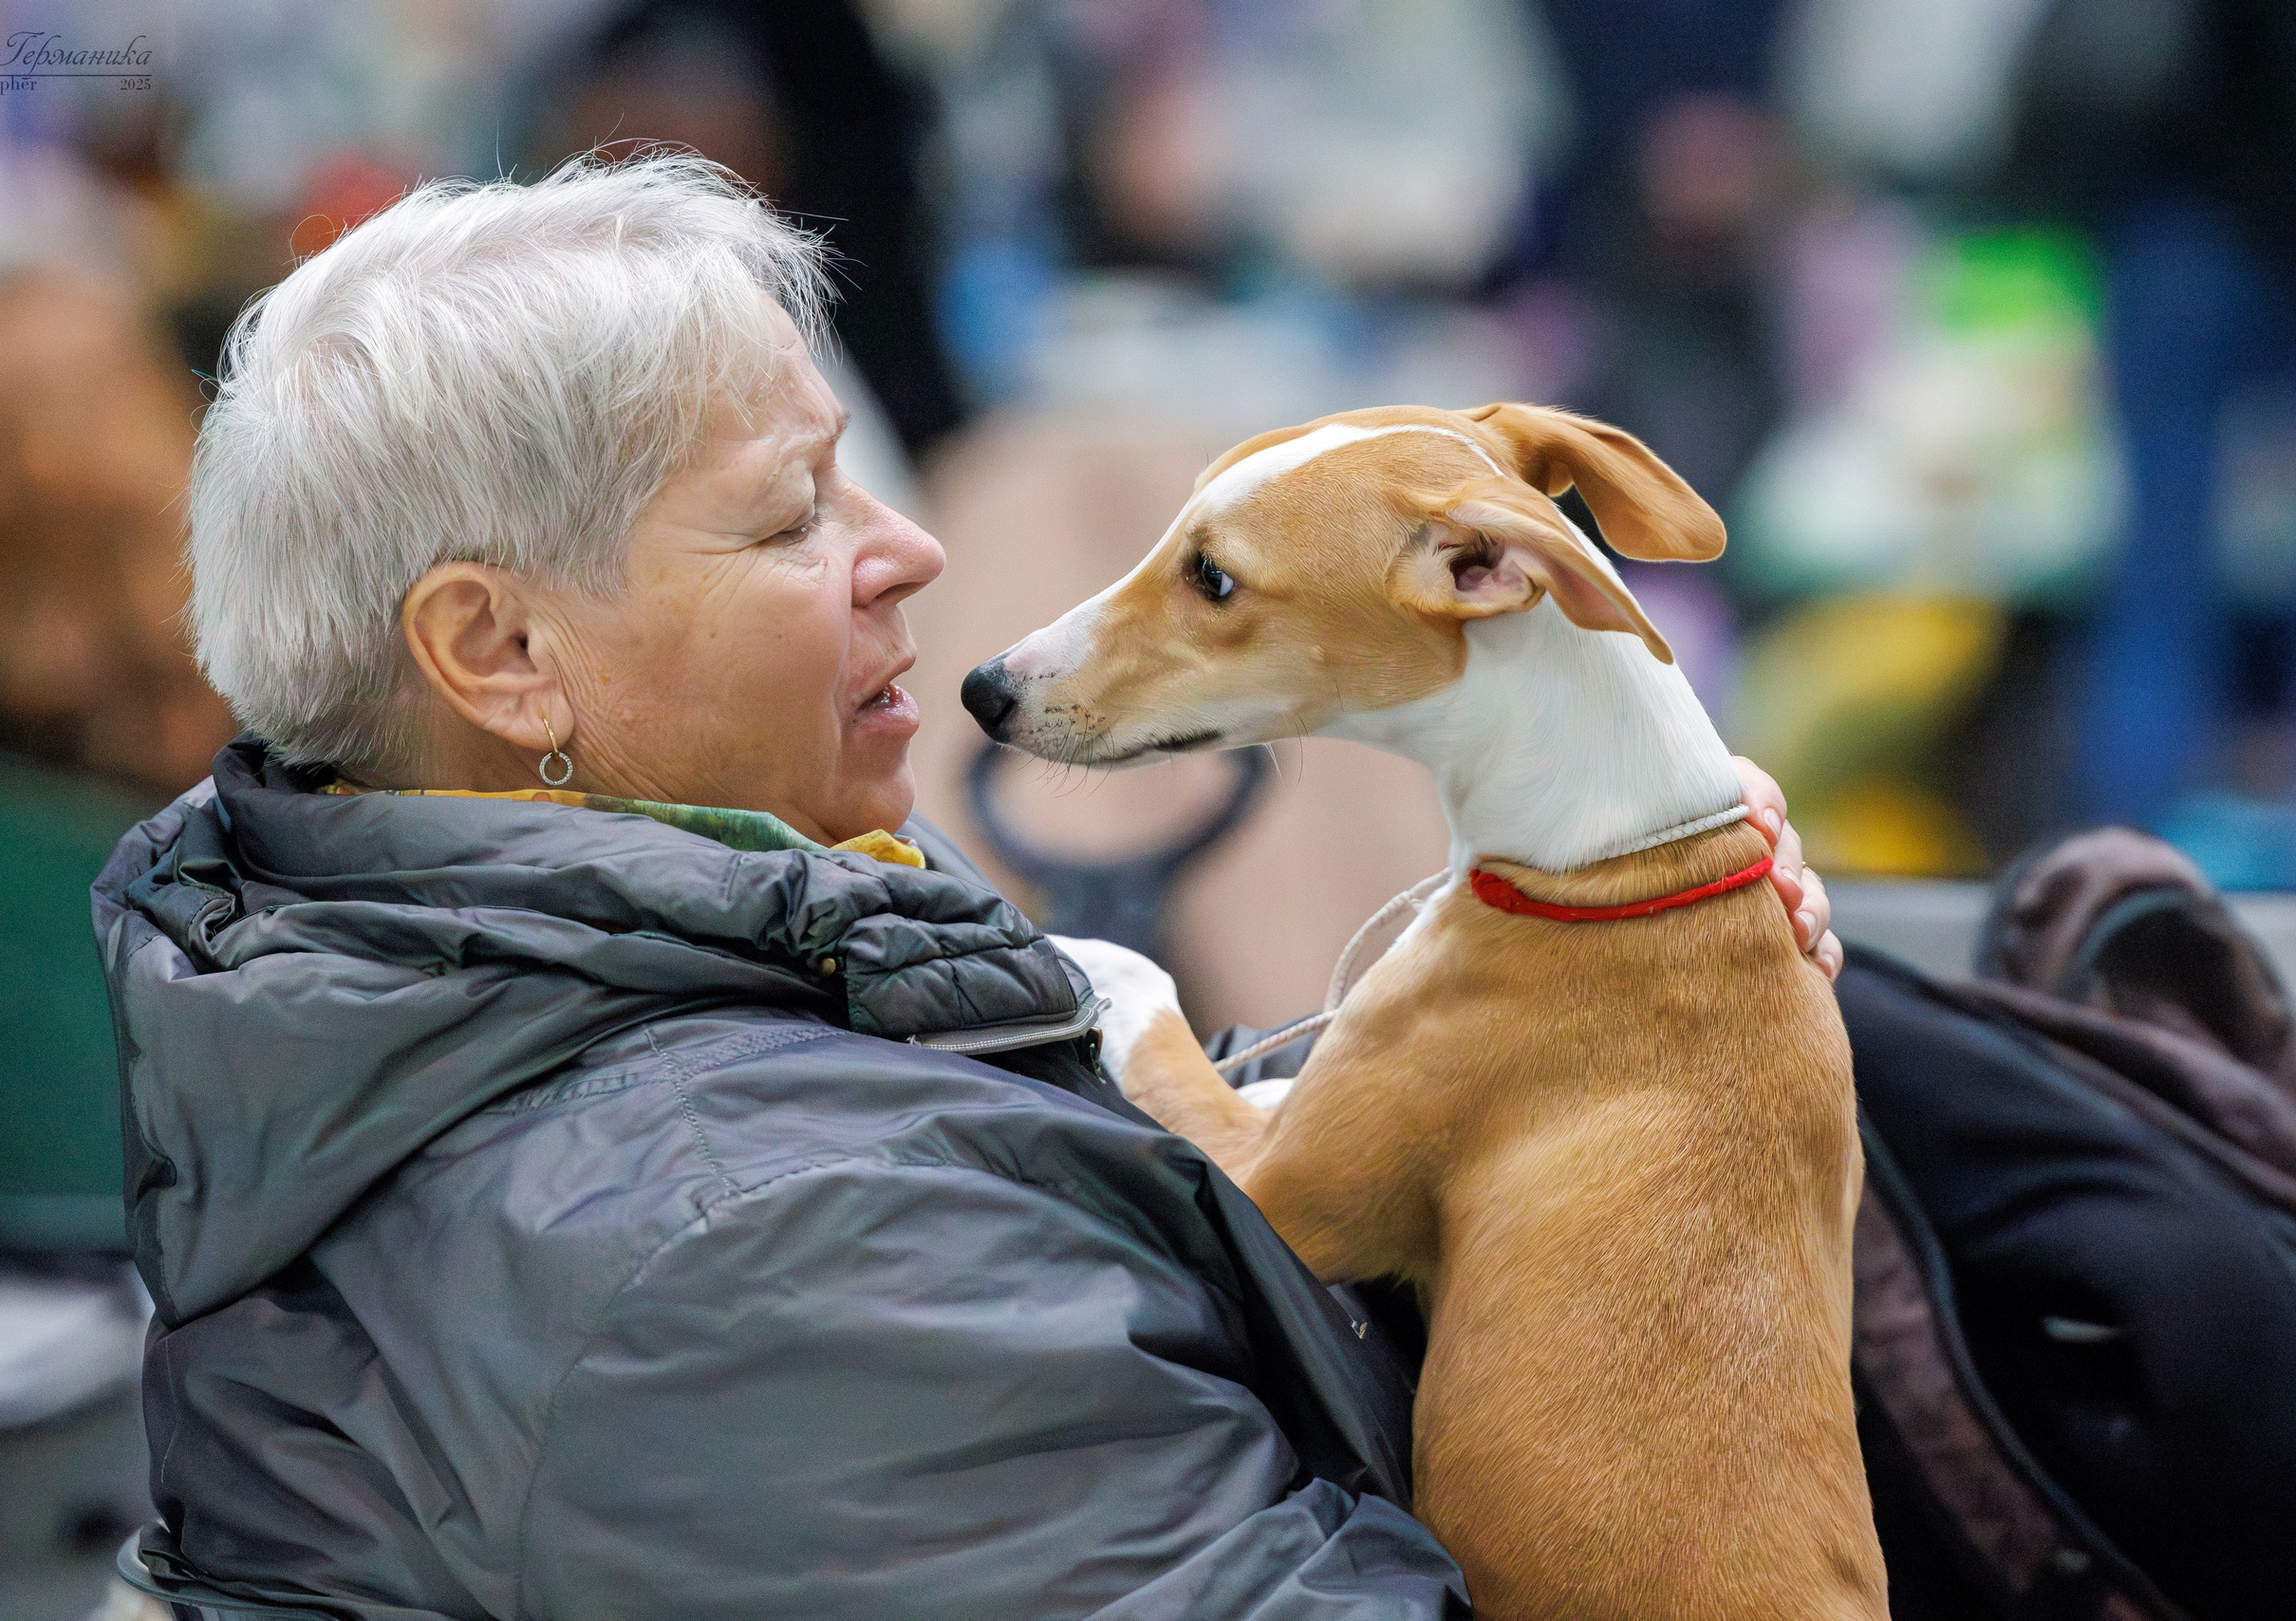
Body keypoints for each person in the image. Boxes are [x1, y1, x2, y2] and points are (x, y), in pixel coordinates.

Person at [100, 154, 1839, 1619]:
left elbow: (1053, 1177)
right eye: (792, 518)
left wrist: (1593, 998)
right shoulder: (742, 1261)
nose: (909, 549)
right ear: (500, 649)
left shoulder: (605, 995)